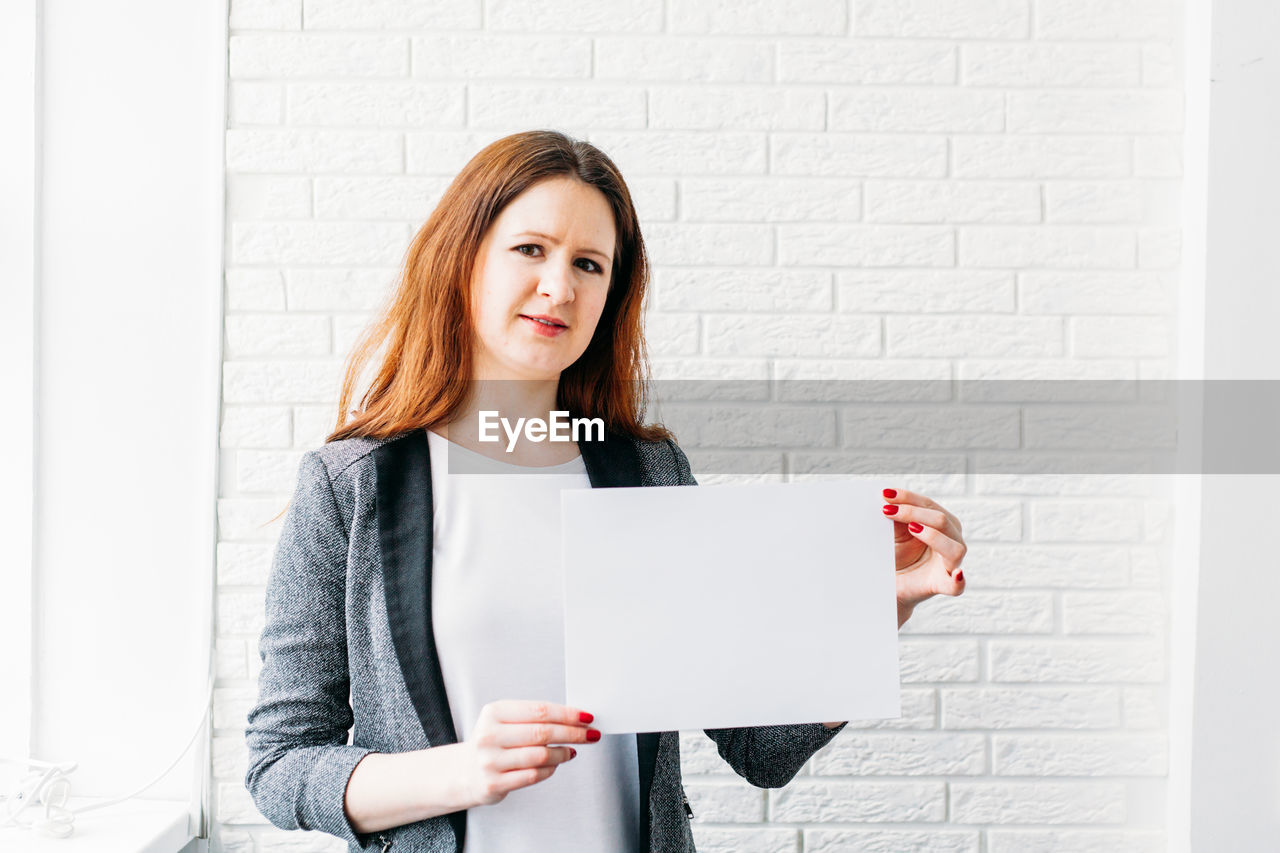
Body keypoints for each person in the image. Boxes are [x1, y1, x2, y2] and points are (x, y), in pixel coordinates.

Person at [243, 129, 969, 853]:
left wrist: (869, 610)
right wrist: (463, 771)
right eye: (530, 249)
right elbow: (280, 763)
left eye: (589, 264)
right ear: (462, 258)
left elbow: (759, 746)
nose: (560, 287)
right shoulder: (353, 485)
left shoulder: (649, 475)